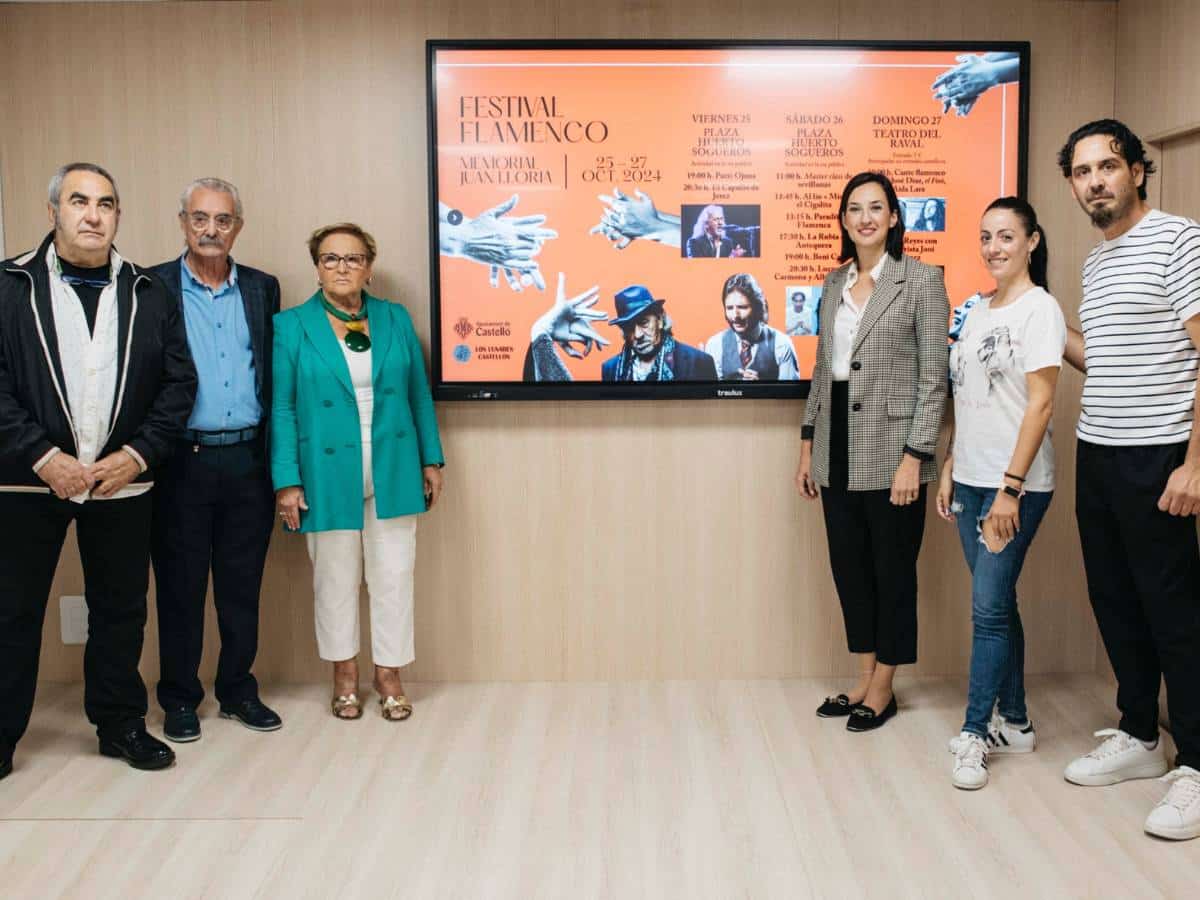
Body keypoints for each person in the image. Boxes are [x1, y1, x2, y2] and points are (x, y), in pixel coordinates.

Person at [0, 163, 196, 778]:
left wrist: (136, 455)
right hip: (27, 479)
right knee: (12, 609)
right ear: (53, 209)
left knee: (121, 608)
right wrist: (44, 456)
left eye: (106, 203)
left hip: (122, 481)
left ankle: (120, 726)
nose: (93, 214)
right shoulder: (9, 285)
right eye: (79, 201)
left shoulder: (150, 290)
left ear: (118, 214)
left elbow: (178, 384)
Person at [1056, 119, 1200, 840]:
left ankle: (1198, 766)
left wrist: (1196, 463)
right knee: (1113, 599)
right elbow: (1105, 361)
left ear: (1138, 170)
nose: (1096, 181)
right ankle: (1141, 737)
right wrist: (1045, 326)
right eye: (1083, 172)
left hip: (1159, 454)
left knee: (1175, 611)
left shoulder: (1180, 239)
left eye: (1108, 165)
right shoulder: (1096, 260)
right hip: (1099, 451)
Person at [795, 171, 949, 732]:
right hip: (837, 445)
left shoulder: (922, 280)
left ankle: (885, 686)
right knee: (850, 570)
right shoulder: (834, 283)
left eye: (876, 207)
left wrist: (916, 455)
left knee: (892, 572)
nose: (864, 217)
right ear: (843, 220)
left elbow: (934, 378)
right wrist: (808, 441)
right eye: (854, 209)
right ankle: (863, 675)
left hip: (893, 452)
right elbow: (821, 369)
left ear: (894, 218)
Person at [272, 223, 444, 721]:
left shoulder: (394, 318)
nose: (342, 268)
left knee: (393, 574)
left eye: (352, 259)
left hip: (393, 462)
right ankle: (344, 675)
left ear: (369, 266)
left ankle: (389, 674)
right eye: (330, 259)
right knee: (335, 577)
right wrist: (287, 480)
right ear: (317, 267)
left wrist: (430, 459)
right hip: (324, 470)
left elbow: (418, 396)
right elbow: (282, 408)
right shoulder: (292, 325)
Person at [935, 197, 1065, 789]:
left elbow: (1040, 403)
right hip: (970, 477)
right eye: (985, 236)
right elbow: (966, 395)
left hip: (1016, 485)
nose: (993, 247)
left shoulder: (1041, 311)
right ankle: (1015, 720)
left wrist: (1010, 491)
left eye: (1006, 236)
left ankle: (973, 732)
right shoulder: (973, 309)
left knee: (987, 609)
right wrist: (950, 465)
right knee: (998, 600)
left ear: (1031, 241)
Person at [148, 178, 282, 743]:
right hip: (181, 460)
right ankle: (179, 697)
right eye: (199, 218)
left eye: (222, 220)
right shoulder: (151, 286)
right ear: (182, 223)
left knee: (241, 585)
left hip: (248, 458)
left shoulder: (261, 288)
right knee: (179, 586)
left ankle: (237, 690)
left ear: (238, 227)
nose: (210, 229)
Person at [600, 285, 717, 382]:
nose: (637, 335)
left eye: (643, 322)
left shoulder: (699, 362)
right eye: (629, 327)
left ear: (660, 320)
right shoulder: (610, 369)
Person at [702, 273, 799, 380]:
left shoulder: (782, 344)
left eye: (742, 307)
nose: (735, 316)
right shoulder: (715, 344)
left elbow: (790, 395)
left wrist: (763, 389)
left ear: (758, 307)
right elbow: (713, 394)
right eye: (729, 308)